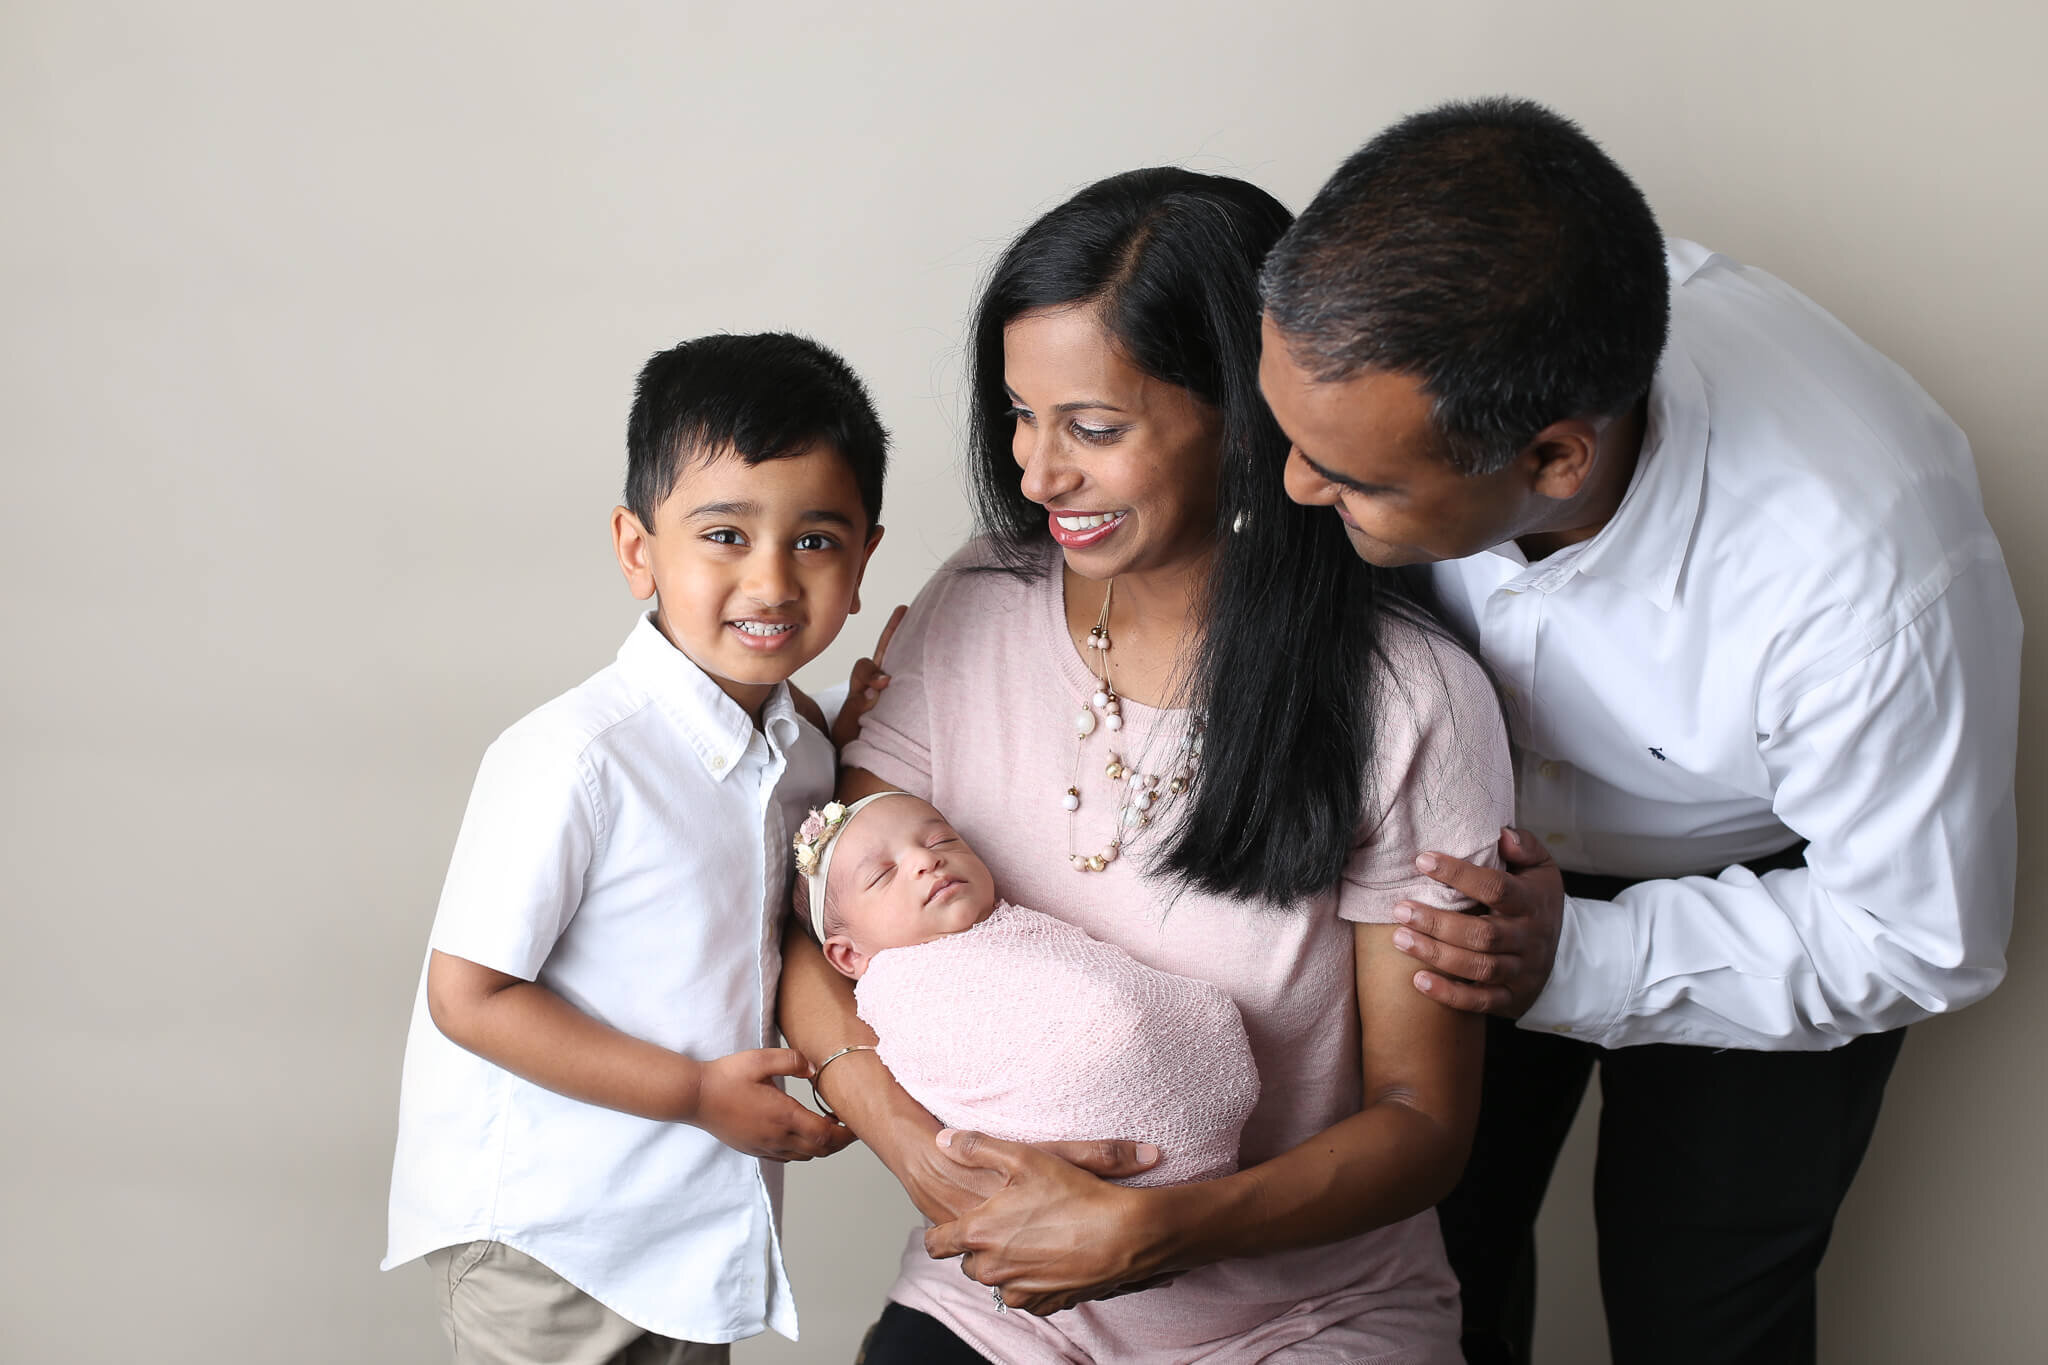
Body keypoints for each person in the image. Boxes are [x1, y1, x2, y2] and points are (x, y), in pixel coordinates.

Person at [1256, 97, 2021, 1365]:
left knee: (1699, 1311)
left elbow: (1919, 933)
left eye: (1355, 481)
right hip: (1461, 848)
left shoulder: (1870, 578)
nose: (1291, 488)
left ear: (1555, 458)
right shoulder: (1382, 362)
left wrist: (1581, 961)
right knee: (1422, 1266)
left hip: (1771, 890)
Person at [778, 167, 1515, 1364]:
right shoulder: (980, 601)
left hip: (1303, 1318)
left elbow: (1422, 1123)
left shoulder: (1406, 701)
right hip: (997, 1305)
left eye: (1094, 428)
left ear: (1244, 409)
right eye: (1020, 415)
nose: (1035, 473)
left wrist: (1156, 1230)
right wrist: (907, 1144)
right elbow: (809, 914)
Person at [381, 332, 891, 1364]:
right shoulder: (574, 758)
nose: (771, 583)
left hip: (687, 1228)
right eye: (723, 535)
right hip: (553, 1233)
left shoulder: (798, 748)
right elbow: (467, 995)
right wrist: (697, 1095)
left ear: (863, 560)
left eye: (815, 541)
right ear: (636, 550)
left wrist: (859, 710)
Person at [796, 789, 1259, 1194]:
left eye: (941, 841)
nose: (926, 860)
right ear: (849, 958)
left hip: (1204, 1120)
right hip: (1083, 1155)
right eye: (881, 875)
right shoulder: (901, 992)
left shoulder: (1015, 930)